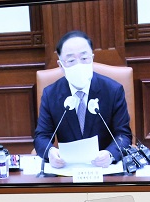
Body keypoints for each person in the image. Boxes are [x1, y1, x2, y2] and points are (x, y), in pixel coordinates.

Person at [33, 30, 133, 169]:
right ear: (61, 65)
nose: (78, 65)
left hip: (104, 168)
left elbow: (123, 135)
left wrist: (110, 154)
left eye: (84, 58)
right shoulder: (51, 94)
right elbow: (41, 137)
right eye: (71, 60)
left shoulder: (113, 90)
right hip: (67, 169)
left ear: (92, 58)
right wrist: (50, 152)